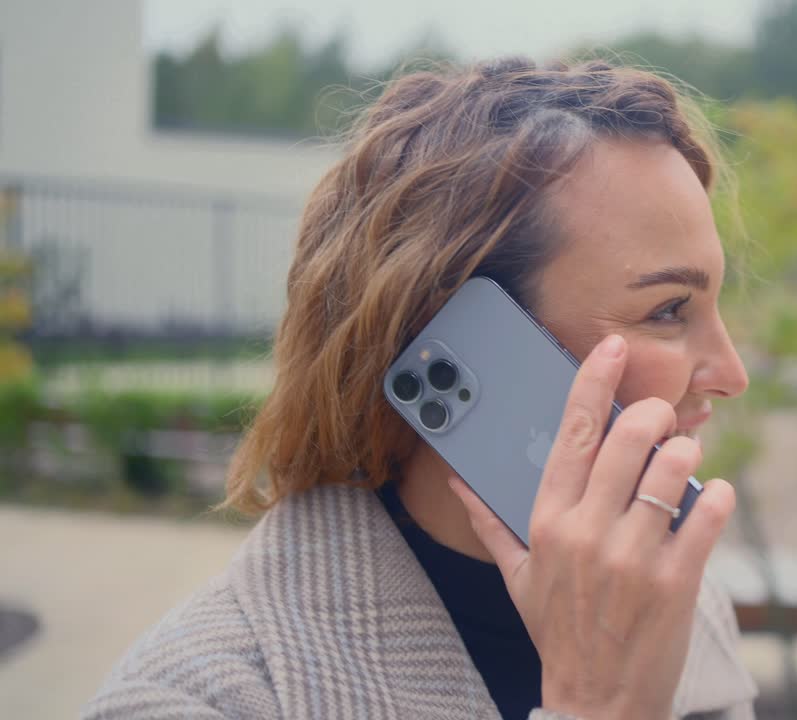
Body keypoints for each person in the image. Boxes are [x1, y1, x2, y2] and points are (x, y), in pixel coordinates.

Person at [84, 57, 757, 719]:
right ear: (471, 347)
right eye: (669, 310)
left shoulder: (674, 602)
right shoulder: (199, 698)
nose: (732, 374)